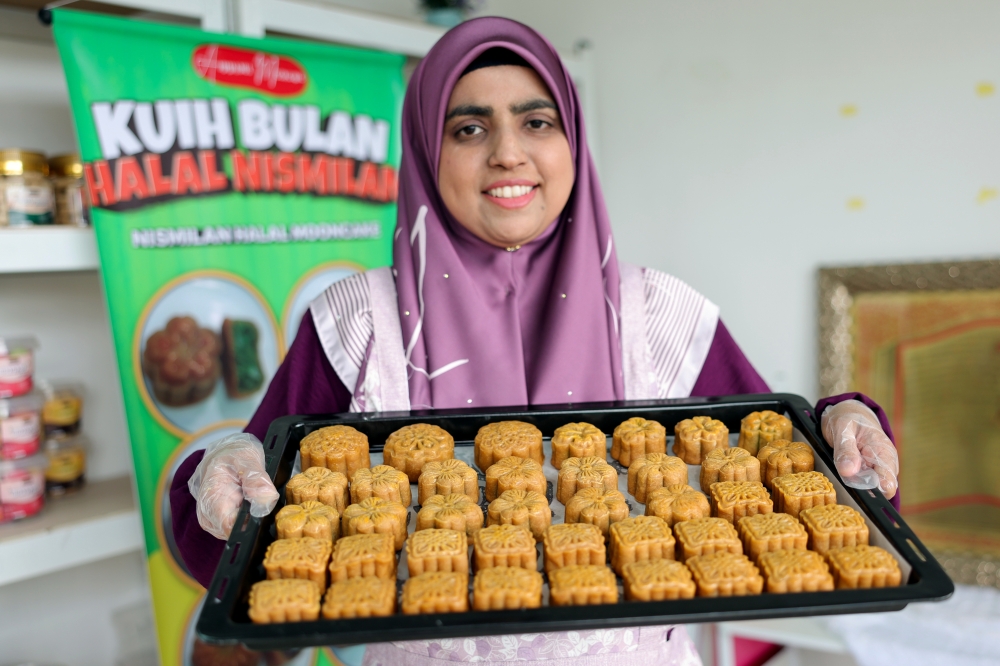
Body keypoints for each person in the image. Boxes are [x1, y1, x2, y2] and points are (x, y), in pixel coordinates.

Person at [171, 16, 900, 666]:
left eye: (537, 122)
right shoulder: (357, 320)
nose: (508, 154)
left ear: (573, 143)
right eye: (469, 128)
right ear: (427, 150)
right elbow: (229, 541)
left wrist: (847, 418)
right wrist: (221, 469)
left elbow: (797, 469)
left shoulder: (661, 313)